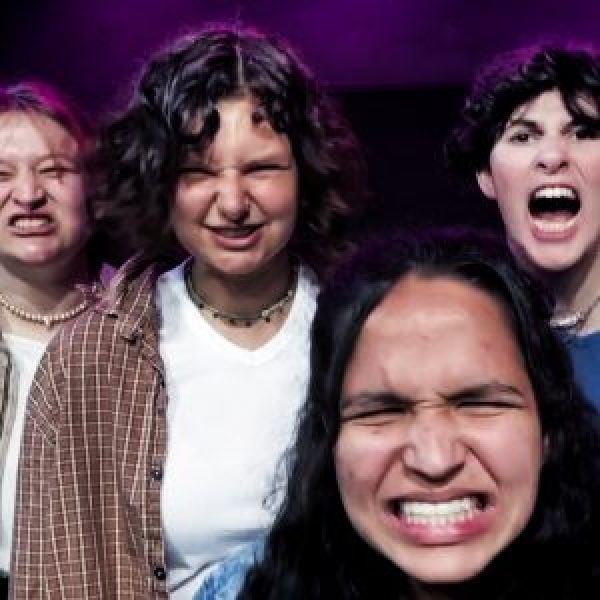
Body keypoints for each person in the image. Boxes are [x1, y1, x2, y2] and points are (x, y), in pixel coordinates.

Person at [11, 25, 368, 599]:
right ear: (159, 180)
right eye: (198, 172)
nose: (233, 202)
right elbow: (51, 580)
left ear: (306, 174)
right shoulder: (93, 357)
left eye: (262, 169)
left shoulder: (366, 327)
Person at [195, 229, 600, 599]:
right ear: (329, 440)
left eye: (479, 404)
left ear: (547, 429)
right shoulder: (243, 590)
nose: (435, 461)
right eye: (384, 411)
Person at [446, 43, 600, 410]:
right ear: (486, 174)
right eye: (523, 136)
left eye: (582, 132)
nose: (552, 156)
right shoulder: (456, 336)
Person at [0, 81, 110, 596]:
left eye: (53, 171)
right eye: (1, 175)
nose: (28, 196)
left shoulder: (155, 326)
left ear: (93, 189)